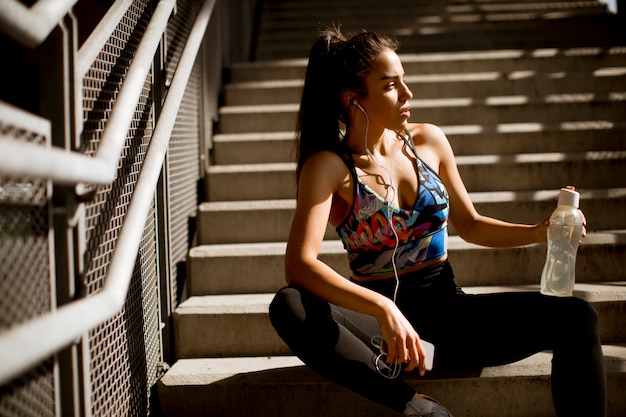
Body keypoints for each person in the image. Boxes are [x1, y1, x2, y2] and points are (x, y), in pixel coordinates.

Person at [269, 26, 606, 417]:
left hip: (451, 323)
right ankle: (413, 404)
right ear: (353, 99)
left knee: (577, 316)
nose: (408, 94)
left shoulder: (428, 141)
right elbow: (299, 264)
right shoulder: (330, 167)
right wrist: (383, 309)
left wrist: (539, 232)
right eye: (391, 85)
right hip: (381, 335)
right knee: (288, 305)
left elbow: (471, 224)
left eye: (404, 80)